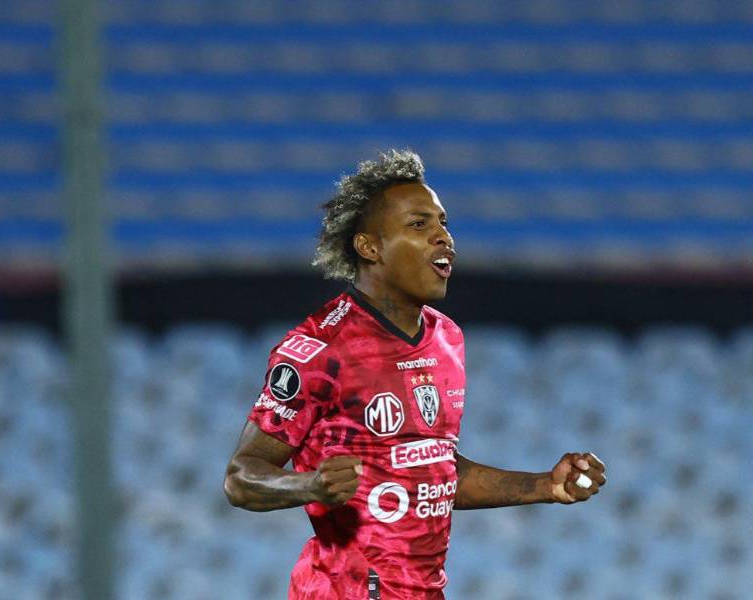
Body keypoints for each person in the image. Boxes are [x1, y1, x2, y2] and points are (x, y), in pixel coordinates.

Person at [224, 149, 607, 599]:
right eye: (419, 225)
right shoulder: (319, 350)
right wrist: (308, 485)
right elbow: (241, 477)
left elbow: (435, 470)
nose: (443, 237)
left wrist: (543, 485)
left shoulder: (446, 338)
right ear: (370, 247)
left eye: (443, 223)